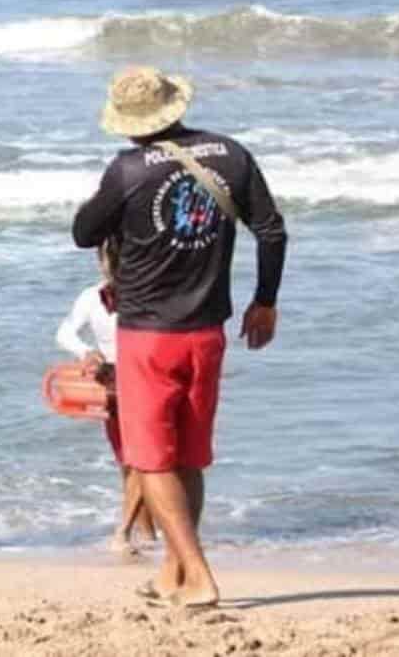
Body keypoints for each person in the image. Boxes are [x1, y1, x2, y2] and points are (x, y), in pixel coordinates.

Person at [73, 66, 287, 608]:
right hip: (207, 333)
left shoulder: (127, 170)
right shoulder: (230, 154)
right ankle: (172, 573)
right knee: (188, 456)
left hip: (148, 336)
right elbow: (271, 230)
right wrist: (265, 301)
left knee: (150, 460)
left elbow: (83, 233)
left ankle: (200, 576)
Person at [55, 237, 157, 554]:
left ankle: (127, 533)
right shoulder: (92, 297)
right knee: (131, 463)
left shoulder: (148, 289)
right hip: (114, 383)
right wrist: (86, 352)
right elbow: (64, 333)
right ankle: (146, 535)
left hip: (142, 379)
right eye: (109, 258)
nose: (111, 264)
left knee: (139, 462)